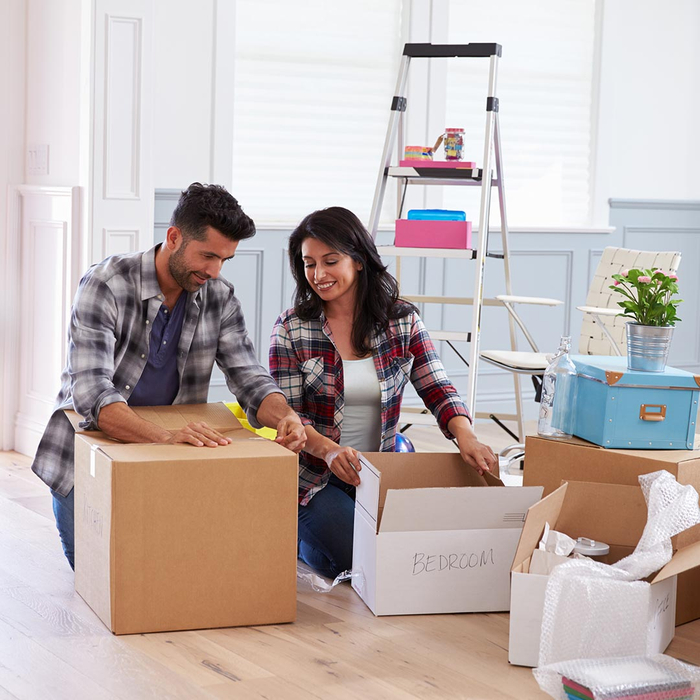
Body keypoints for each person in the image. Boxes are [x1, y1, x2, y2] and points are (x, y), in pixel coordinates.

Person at [32, 183, 306, 570]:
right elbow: (92, 395)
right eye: (208, 255)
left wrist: (285, 416)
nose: (214, 271)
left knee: (174, 573)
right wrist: (165, 435)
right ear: (174, 237)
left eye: (224, 260)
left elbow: (249, 376)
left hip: (170, 462)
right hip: (88, 457)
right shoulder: (106, 284)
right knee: (103, 574)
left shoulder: (219, 296)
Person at [269, 206, 498, 579]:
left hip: (379, 469)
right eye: (309, 264)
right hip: (313, 478)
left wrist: (466, 436)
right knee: (357, 558)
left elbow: (436, 386)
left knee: (418, 548)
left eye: (330, 261)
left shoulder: (402, 320)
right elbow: (290, 417)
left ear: (358, 260)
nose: (319, 275)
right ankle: (294, 529)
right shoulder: (292, 328)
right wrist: (329, 452)